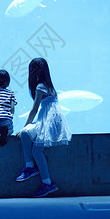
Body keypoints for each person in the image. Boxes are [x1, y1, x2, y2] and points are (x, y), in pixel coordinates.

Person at [16, 58, 71, 197]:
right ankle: (33, 170)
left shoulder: (40, 86)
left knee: (35, 148)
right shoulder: (49, 86)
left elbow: (34, 109)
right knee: (26, 136)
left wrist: (25, 125)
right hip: (49, 119)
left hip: (48, 120)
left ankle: (46, 182)